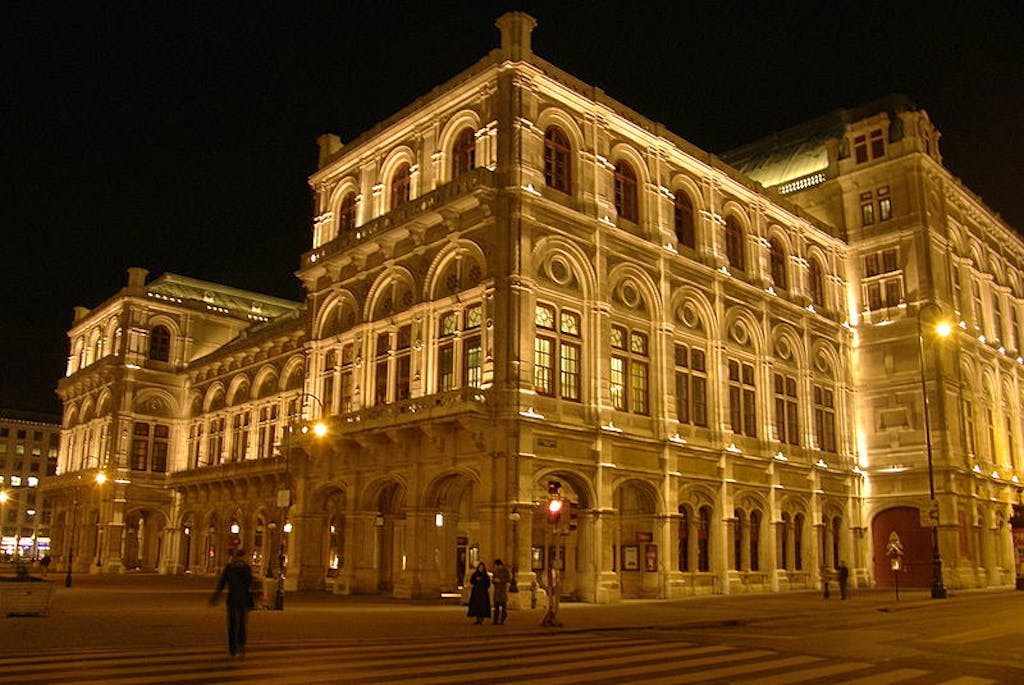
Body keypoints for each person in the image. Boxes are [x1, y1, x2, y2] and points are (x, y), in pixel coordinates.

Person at [210, 549, 254, 657]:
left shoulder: (230, 568)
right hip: (243, 599)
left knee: (232, 624)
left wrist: (215, 597)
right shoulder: (246, 568)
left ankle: (232, 648)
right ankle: (241, 645)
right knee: (242, 623)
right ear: (243, 557)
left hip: (233, 598)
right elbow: (250, 584)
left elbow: (221, 583)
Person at [491, 559, 511, 625]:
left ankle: (502, 620)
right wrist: (494, 581)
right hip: (497, 591)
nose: (495, 567)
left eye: (496, 565)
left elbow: (508, 579)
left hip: (502, 591)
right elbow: (493, 580)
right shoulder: (495, 572)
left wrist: (500, 580)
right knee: (496, 607)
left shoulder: (505, 571)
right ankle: (495, 620)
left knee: (503, 607)